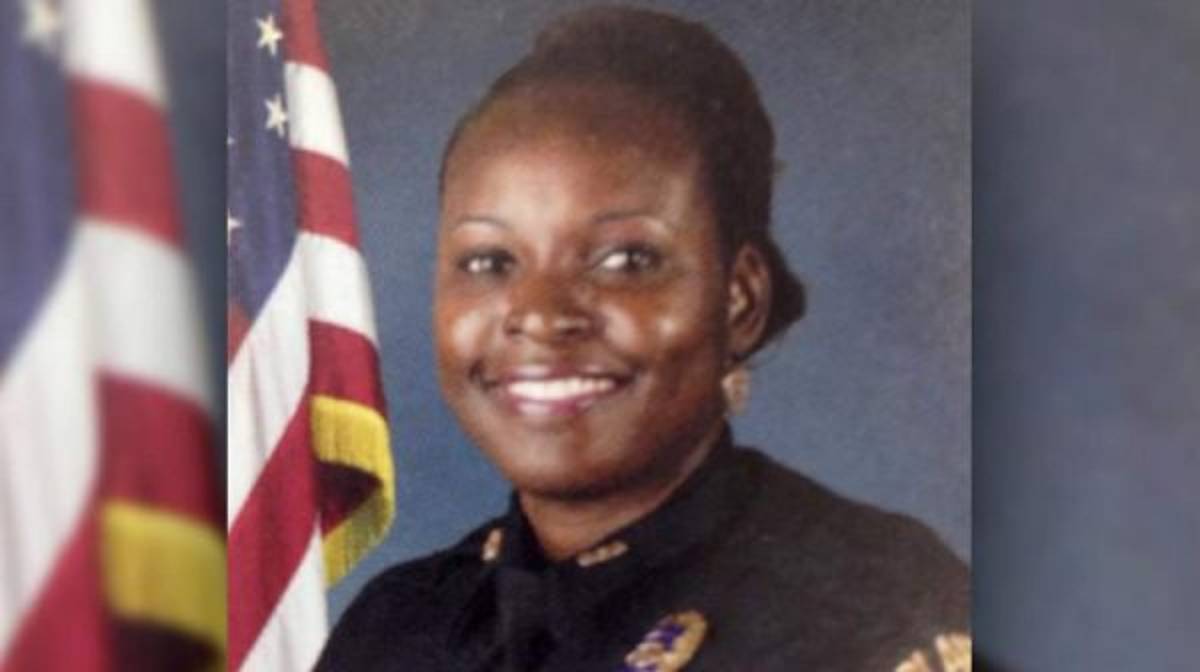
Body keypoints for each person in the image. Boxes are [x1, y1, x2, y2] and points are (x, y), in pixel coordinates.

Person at [317, 6, 968, 671]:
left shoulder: (878, 614)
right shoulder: (396, 627)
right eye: (490, 261)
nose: (540, 315)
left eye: (625, 260)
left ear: (740, 300)